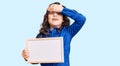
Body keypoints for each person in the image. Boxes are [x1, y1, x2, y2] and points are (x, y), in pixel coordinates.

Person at [22, 2, 86, 66]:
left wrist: (62, 9)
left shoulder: (68, 32)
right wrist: (27, 56)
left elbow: (82, 19)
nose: (55, 15)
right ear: (47, 18)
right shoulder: (40, 36)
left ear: (63, 19)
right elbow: (36, 59)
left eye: (59, 13)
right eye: (51, 13)